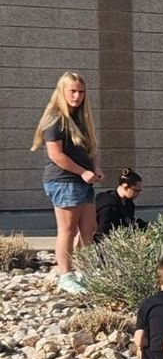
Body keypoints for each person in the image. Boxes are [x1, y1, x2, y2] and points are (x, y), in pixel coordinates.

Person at [30, 71, 103, 295]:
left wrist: (95, 168)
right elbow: (56, 155)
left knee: (89, 228)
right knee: (68, 229)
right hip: (63, 181)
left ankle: (85, 271)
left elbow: (92, 148)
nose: (77, 96)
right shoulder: (56, 119)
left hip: (83, 181)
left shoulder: (81, 118)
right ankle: (66, 275)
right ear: (62, 91)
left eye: (81, 92)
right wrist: (82, 172)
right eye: (72, 91)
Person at [96, 167, 146, 239]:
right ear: (125, 187)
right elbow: (103, 231)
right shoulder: (108, 205)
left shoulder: (128, 203)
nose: (138, 194)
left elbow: (129, 222)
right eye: (136, 191)